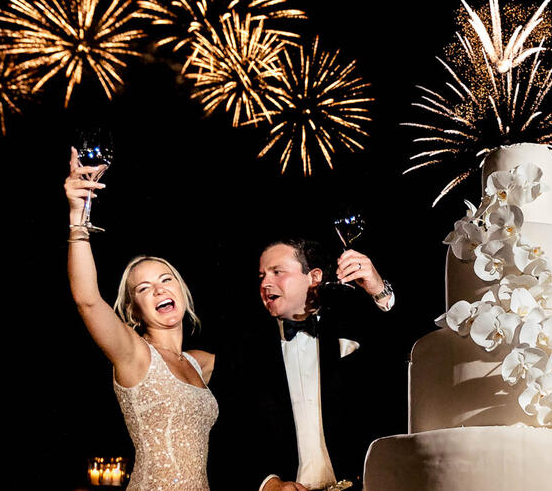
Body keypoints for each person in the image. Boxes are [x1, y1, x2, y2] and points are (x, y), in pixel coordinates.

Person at [65, 148, 218, 490]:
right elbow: (87, 301)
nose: (159, 290)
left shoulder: (200, 364)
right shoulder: (135, 356)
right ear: (134, 310)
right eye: (144, 288)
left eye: (166, 280)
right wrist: (79, 218)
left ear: (180, 288)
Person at [208, 237, 397, 491]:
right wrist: (268, 485)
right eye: (262, 275)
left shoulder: (352, 325)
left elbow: (402, 349)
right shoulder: (239, 351)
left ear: (314, 277)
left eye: (278, 272)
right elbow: (225, 435)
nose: (265, 283)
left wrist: (377, 289)